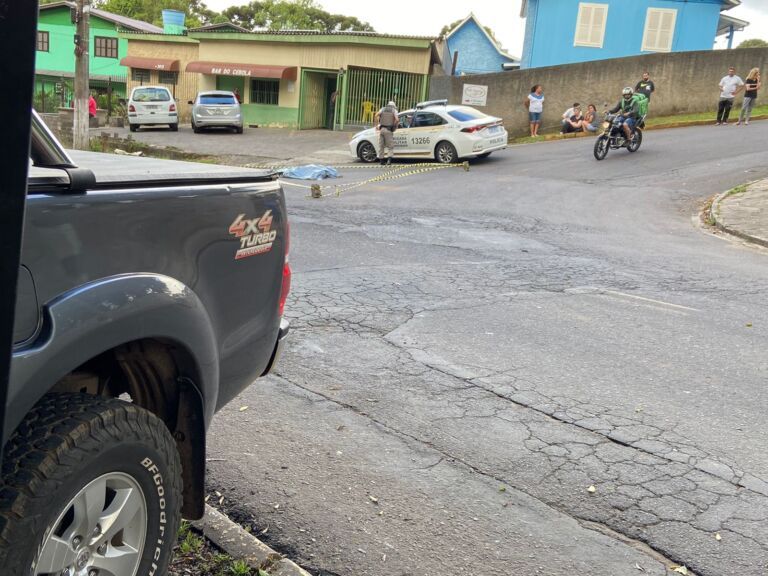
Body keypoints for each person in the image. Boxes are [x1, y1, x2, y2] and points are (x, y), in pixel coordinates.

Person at [374, 100, 398, 165]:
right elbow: (397, 119)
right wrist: (393, 126)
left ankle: (381, 161)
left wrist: (376, 125)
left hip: (381, 130)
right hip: (388, 130)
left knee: (381, 146)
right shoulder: (394, 110)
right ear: (393, 106)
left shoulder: (382, 109)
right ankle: (389, 161)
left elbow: (376, 115)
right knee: (390, 146)